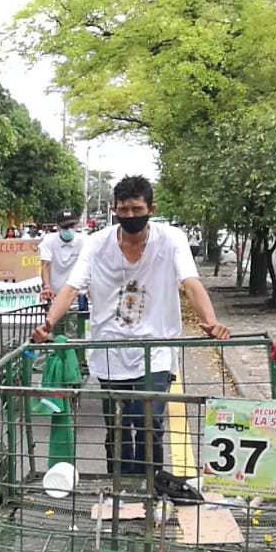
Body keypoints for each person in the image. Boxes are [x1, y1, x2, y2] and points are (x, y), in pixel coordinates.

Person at [31, 176, 230, 476]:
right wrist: (48, 323)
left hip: (157, 350)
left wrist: (211, 321)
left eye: (137, 210)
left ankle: (151, 490)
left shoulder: (171, 239)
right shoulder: (97, 244)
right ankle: (121, 492)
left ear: (151, 208)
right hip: (110, 350)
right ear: (115, 210)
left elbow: (190, 282)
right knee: (118, 428)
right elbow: (71, 288)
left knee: (149, 423)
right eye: (124, 210)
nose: (130, 216)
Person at [39, 209, 86, 303]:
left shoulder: (85, 241)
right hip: (54, 294)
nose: (68, 229)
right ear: (58, 227)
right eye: (65, 227)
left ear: (76, 225)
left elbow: (92, 265)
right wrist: (46, 287)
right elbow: (45, 265)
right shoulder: (49, 240)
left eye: (71, 226)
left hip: (78, 293)